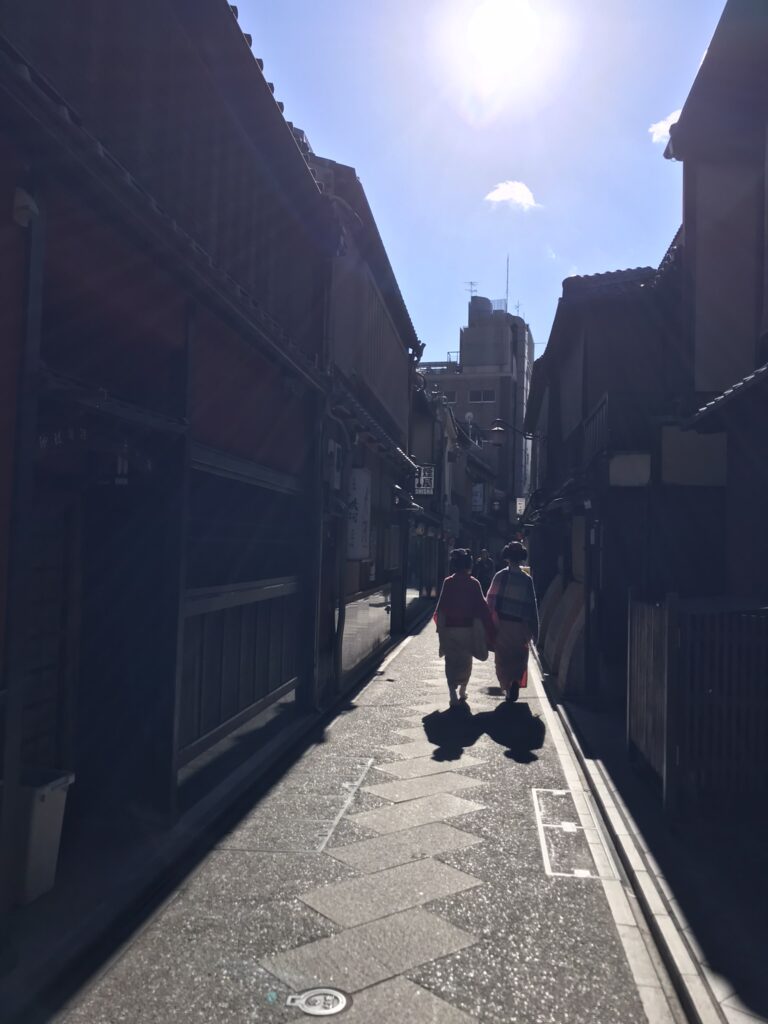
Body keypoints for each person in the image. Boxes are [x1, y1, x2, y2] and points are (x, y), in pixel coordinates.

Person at [434, 548, 494, 706]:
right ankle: (462, 689)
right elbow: (482, 607)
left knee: (451, 660)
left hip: (449, 628)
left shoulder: (448, 582)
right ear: (469, 565)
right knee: (465, 661)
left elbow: (441, 607)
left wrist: (440, 627)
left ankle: (452, 692)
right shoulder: (474, 583)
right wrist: (490, 626)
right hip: (468, 628)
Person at [486, 541, 539, 702]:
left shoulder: (500, 576)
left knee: (502, 659)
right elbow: (532, 605)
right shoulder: (527, 579)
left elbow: (491, 599)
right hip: (521, 626)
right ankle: (515, 680)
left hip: (502, 625)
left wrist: (487, 622)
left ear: (507, 557)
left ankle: (507, 686)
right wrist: (535, 630)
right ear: (522, 558)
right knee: (519, 657)